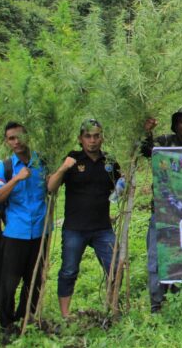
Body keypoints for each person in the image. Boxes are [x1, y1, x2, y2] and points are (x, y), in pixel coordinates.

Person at [47, 119, 121, 318]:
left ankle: (114, 307)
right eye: (88, 136)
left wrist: (125, 185)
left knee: (116, 266)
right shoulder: (72, 158)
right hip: (75, 228)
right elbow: (51, 188)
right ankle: (65, 314)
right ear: (81, 139)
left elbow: (119, 188)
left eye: (96, 136)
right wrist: (63, 168)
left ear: (102, 137)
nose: (93, 140)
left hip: (102, 228)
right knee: (69, 271)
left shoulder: (110, 161)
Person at [141, 106, 182, 311]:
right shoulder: (165, 142)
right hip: (164, 212)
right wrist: (147, 132)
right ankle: (157, 303)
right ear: (175, 125)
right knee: (158, 257)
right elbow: (146, 150)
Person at [0, 122, 49, 332]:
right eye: (11, 138)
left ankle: (26, 317)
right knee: (9, 281)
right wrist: (16, 179)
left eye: (19, 137)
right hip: (15, 233)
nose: (16, 142)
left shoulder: (42, 162)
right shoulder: (4, 167)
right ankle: (7, 322)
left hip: (41, 231)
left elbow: (52, 187)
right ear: (7, 141)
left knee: (35, 278)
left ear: (27, 136)